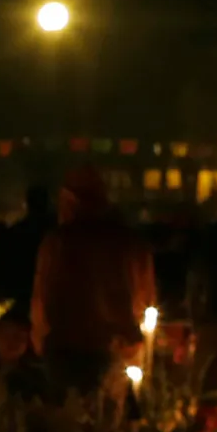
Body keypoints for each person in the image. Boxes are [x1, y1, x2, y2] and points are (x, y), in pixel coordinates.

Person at [29, 167, 152, 393]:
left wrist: (42, 340)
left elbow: (41, 298)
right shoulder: (129, 243)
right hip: (117, 346)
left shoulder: (58, 242)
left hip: (65, 349)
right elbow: (145, 296)